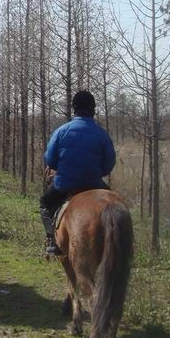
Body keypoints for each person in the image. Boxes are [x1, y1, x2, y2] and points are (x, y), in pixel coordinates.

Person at [39, 90, 116, 257]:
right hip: (94, 183)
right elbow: (109, 164)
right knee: (115, 204)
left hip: (65, 183)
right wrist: (95, 173)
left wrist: (62, 168)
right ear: (93, 109)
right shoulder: (102, 134)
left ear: (74, 109)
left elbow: (50, 159)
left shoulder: (61, 131)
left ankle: (52, 240)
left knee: (45, 203)